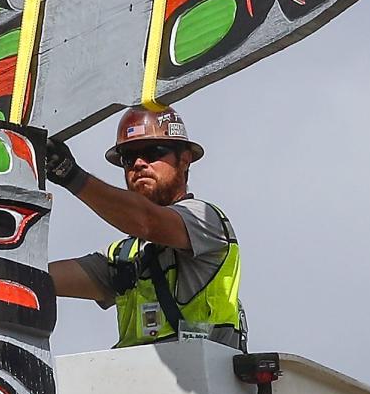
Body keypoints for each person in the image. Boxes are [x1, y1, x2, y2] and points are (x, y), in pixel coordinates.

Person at [47, 107, 243, 348]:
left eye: (153, 152)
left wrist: (70, 175)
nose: (139, 164)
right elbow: (40, 278)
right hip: (137, 381)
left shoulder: (205, 220)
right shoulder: (122, 256)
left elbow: (147, 221)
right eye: (129, 158)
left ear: (184, 160)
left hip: (202, 379)